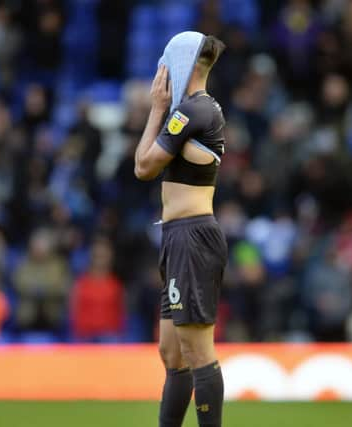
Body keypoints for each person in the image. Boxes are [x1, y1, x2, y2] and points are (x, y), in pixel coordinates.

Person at [134, 32, 227, 427]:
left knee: (197, 350)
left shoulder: (191, 112)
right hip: (177, 236)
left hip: (192, 236)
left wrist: (155, 109)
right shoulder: (196, 111)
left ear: (181, 63)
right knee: (171, 352)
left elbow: (143, 167)